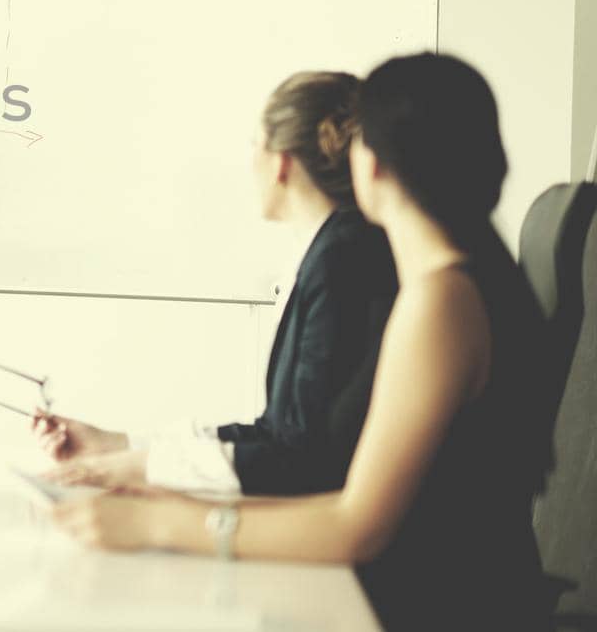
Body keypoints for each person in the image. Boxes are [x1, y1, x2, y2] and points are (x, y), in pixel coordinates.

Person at [53, 53, 554, 632]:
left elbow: (357, 525)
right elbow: (335, 475)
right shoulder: (462, 285)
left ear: (373, 165)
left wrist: (160, 526)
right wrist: (173, 501)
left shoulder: (441, 302)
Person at [34, 72, 397, 496]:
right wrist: (119, 448)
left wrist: (138, 468)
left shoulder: (341, 258)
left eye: (253, 146)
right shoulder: (331, 251)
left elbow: (302, 456)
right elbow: (279, 432)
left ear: (280, 161)